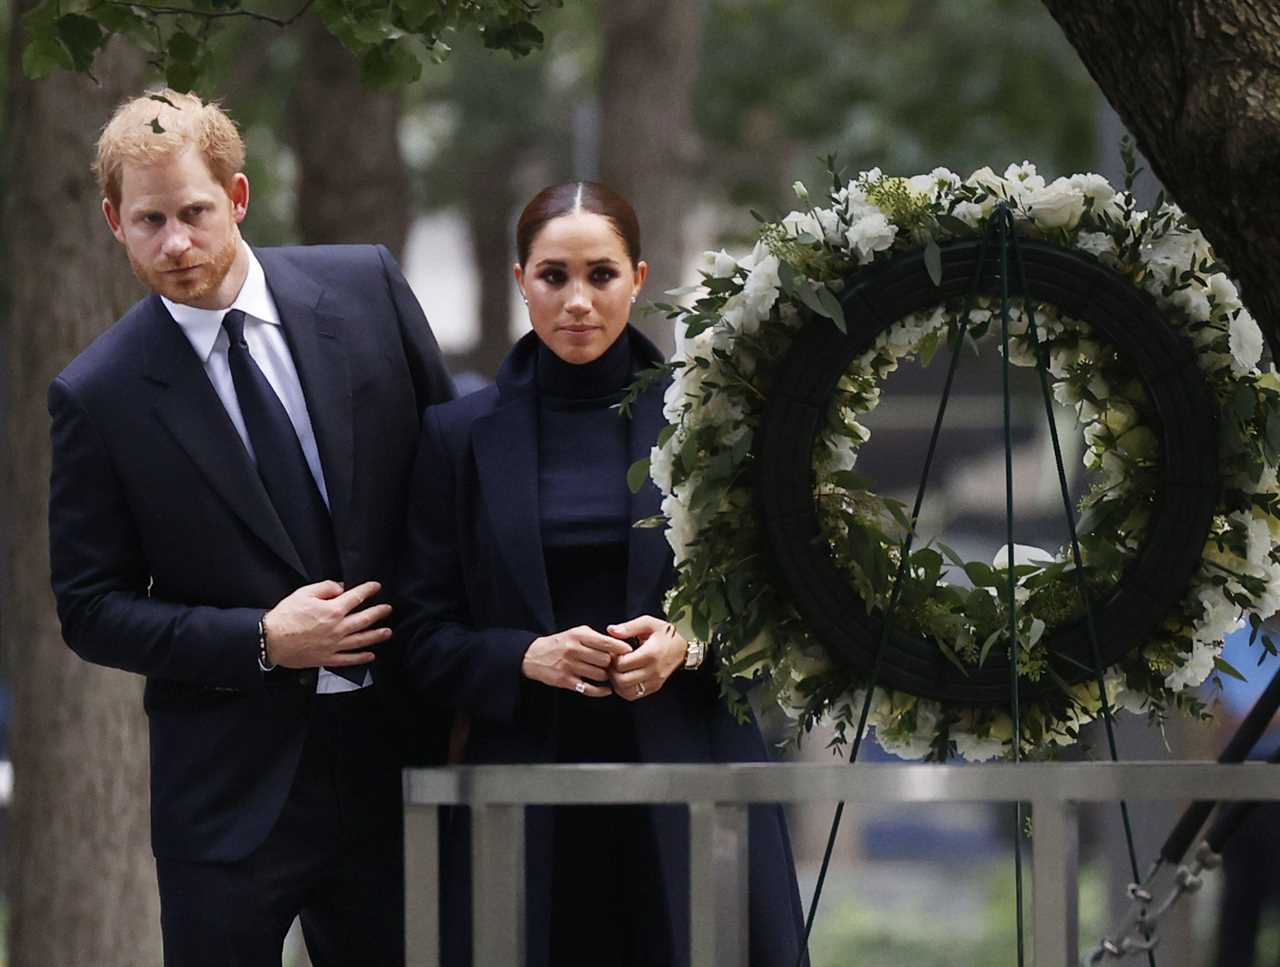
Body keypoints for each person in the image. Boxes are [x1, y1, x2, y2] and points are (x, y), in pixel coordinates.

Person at [47, 88, 454, 967]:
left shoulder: (369, 286)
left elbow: (452, 488)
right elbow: (89, 605)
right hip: (228, 793)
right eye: (149, 221)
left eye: (194, 212)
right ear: (115, 222)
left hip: (400, 755)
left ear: (237, 197)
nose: (177, 243)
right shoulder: (99, 394)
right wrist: (263, 639)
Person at [396, 180, 807, 967]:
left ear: (639, 279)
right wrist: (521, 655)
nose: (577, 300)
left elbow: (776, 600)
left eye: (601, 274)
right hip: (522, 792)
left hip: (694, 770)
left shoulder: (712, 426)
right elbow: (418, 634)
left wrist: (687, 642)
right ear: (521, 282)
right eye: (554, 276)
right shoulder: (454, 437)